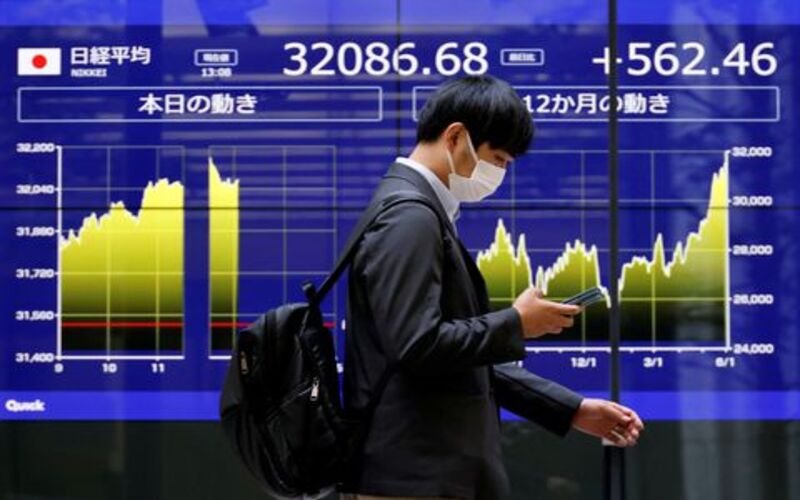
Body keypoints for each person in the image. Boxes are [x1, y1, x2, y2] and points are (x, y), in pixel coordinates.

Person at [339, 75, 644, 500]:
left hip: (427, 476)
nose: (499, 173)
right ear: (456, 137)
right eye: (497, 158)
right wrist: (515, 323)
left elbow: (457, 361)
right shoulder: (410, 218)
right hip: (414, 477)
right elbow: (417, 345)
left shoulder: (420, 213)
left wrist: (569, 409)